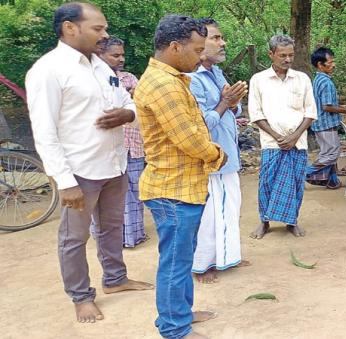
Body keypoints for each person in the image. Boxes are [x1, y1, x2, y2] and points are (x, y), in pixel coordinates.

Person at [25, 2, 153, 323]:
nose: (105, 34)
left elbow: (128, 103)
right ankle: (81, 297)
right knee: (73, 239)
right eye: (98, 28)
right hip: (79, 173)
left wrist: (129, 114)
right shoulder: (47, 70)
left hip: (115, 165)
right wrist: (64, 181)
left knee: (112, 227)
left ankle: (115, 279)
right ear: (70, 28)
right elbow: (44, 131)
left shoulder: (100, 66)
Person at [135, 15, 227, 339]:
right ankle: (174, 329)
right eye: (197, 49)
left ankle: (180, 315)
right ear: (175, 47)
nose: (201, 56)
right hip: (172, 189)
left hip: (181, 187)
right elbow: (188, 138)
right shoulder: (163, 85)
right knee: (175, 264)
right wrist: (218, 155)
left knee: (181, 258)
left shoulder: (173, 79)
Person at [187, 18, 249, 284]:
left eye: (222, 37)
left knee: (229, 208)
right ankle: (201, 266)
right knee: (210, 214)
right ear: (198, 45)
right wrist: (226, 103)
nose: (222, 43)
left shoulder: (216, 72)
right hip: (209, 159)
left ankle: (226, 257)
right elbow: (201, 124)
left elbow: (233, 110)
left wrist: (233, 106)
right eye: (216, 38)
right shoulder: (192, 78)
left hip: (227, 156)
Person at [248, 35, 317, 239]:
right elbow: (256, 114)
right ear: (271, 54)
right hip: (271, 142)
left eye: (291, 55)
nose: (287, 59)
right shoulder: (258, 80)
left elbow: (310, 112)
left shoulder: (302, 79)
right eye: (282, 55)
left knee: (296, 183)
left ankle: (291, 221)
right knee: (267, 182)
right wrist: (278, 137)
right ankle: (264, 222)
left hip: (298, 142)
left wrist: (294, 137)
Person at [96, 36, 148, 247]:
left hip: (133, 145)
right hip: (107, 147)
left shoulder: (129, 78)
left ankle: (134, 235)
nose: (121, 59)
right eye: (115, 55)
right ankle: (112, 238)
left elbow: (142, 105)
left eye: (122, 55)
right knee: (110, 195)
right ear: (101, 55)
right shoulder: (93, 80)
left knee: (134, 191)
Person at [305, 47, 346, 189]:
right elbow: (326, 107)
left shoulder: (317, 79)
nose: (333, 65)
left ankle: (332, 181)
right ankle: (304, 173)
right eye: (330, 62)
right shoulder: (326, 83)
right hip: (325, 123)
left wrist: (341, 106)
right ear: (320, 65)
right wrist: (345, 110)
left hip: (319, 122)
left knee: (327, 151)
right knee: (332, 153)